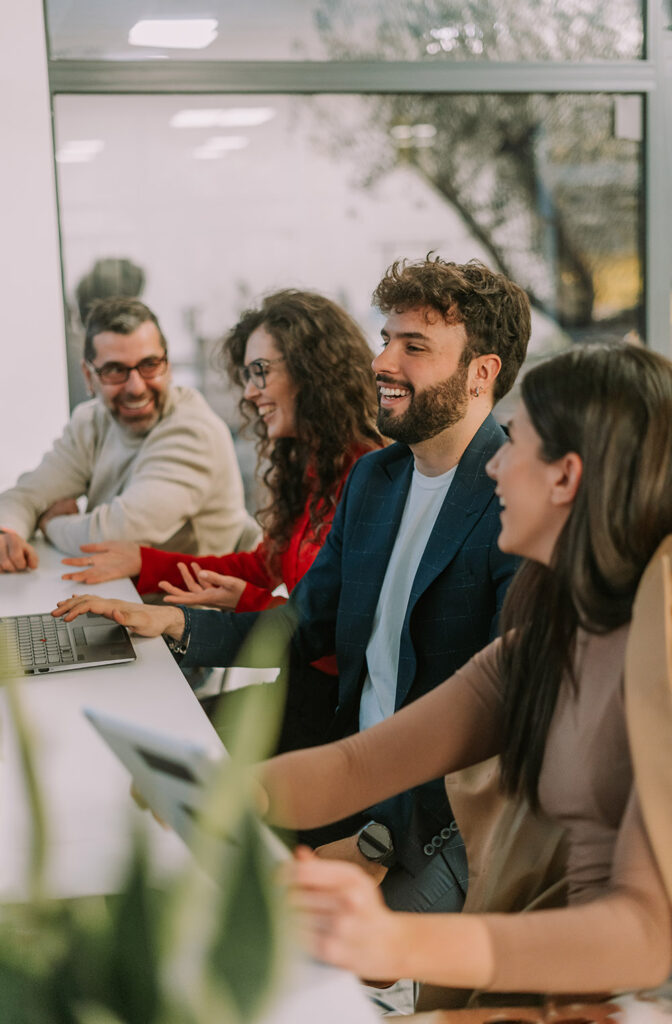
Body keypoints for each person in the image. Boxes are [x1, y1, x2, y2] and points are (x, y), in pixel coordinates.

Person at [52, 257, 531, 914]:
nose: (382, 362)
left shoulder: (515, 500)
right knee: (143, 817)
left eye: (412, 345)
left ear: (483, 372)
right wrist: (174, 622)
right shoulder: (378, 481)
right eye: (385, 338)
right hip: (347, 772)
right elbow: (304, 625)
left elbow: (501, 727)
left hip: (433, 824)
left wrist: (375, 843)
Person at [258, 343, 672, 1000]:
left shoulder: (659, 656)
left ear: (566, 477)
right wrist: (220, 795)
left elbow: (647, 937)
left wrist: (394, 938)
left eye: (513, 445)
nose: (496, 467)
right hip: (544, 989)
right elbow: (358, 767)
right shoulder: (547, 642)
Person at [61, 289, 383, 749]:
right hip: (298, 686)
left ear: (314, 372)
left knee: (157, 742)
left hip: (334, 710)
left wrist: (237, 603)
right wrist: (143, 563)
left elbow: (330, 638)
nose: (250, 392)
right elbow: (262, 566)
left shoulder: (366, 476)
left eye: (260, 372)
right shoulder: (313, 465)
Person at [0, 297, 256, 570]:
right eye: (115, 370)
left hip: (187, 608)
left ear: (167, 367)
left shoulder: (193, 432)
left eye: (149, 365)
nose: (136, 387)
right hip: (123, 595)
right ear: (89, 377)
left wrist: (51, 523)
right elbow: (26, 495)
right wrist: (8, 534)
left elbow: (115, 536)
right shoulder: (91, 421)